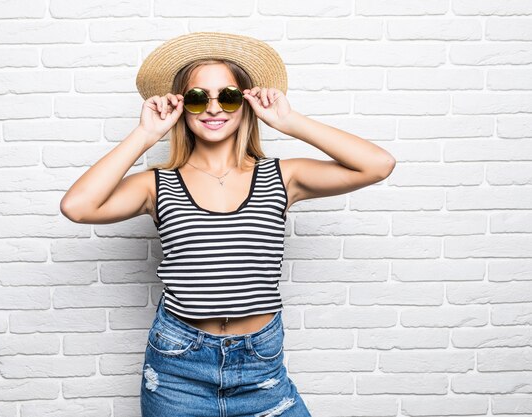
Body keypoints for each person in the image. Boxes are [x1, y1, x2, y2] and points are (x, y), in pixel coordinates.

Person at [60, 32, 395, 417]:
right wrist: (146, 134)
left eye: (229, 96)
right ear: (182, 106)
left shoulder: (283, 177)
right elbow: (78, 206)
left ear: (246, 103)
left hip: (260, 366)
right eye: (199, 97)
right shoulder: (157, 184)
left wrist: (290, 121)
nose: (214, 109)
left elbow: (378, 164)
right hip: (177, 368)